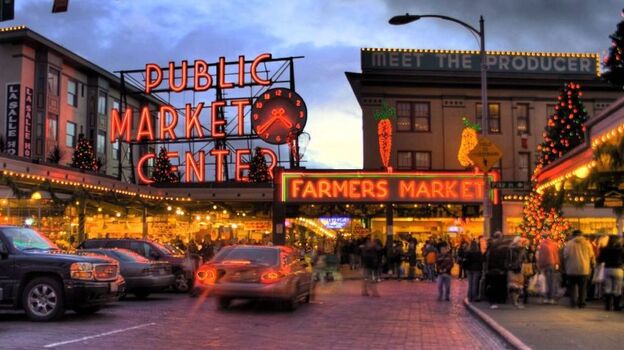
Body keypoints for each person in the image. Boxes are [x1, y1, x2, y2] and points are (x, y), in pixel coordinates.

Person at [563, 230, 595, 308]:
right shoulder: (587, 243)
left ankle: (573, 303)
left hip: (571, 268)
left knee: (572, 286)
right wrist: (592, 265)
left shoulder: (569, 244)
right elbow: (592, 256)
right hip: (584, 269)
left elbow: (565, 255)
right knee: (583, 287)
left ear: (573, 235)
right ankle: (582, 303)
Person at [597, 236, 624, 311]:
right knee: (617, 289)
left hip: (607, 269)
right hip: (618, 270)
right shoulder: (621, 250)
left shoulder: (605, 249)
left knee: (608, 288)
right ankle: (616, 306)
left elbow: (599, 260)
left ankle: (608, 306)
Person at [485, 231, 508, 309]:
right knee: (497, 286)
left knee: (493, 286)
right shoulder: (501, 247)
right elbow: (504, 259)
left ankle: (493, 301)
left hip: (492, 269)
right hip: (498, 269)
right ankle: (496, 301)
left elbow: (486, 257)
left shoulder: (490, 247)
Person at [537, 231, 560, 304]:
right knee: (552, 281)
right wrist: (557, 263)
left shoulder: (542, 245)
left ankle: (546, 298)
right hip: (553, 265)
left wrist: (540, 265)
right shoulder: (554, 244)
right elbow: (556, 255)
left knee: (546, 282)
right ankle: (552, 298)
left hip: (545, 265)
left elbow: (541, 257)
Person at [507, 237, 528, 309]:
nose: (520, 242)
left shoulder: (522, 249)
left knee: (519, 286)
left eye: (521, 241)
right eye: (519, 241)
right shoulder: (511, 249)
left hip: (520, 269)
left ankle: (516, 301)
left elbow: (524, 259)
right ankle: (515, 301)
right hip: (513, 269)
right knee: (514, 286)